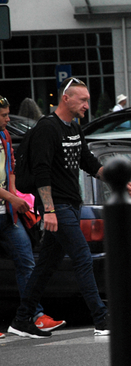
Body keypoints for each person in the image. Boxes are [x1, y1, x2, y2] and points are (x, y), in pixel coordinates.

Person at [7, 78, 131, 339]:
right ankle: (101, 319)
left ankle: (21, 320)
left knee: (45, 265)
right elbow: (42, 171)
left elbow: (87, 161)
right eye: (83, 100)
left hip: (72, 204)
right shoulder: (47, 128)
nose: (87, 105)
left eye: (88, 100)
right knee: (82, 257)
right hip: (58, 206)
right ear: (66, 99)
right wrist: (50, 210)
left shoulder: (74, 128)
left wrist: (117, 180)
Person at [0, 96, 66, 335]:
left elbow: (12, 168)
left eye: (8, 114)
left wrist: (15, 192)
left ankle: (34, 315)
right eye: (3, 115)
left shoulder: (5, 137)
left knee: (26, 261)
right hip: (8, 206)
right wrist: (13, 198)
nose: (8, 118)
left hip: (8, 214)